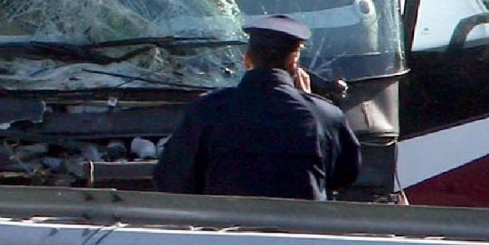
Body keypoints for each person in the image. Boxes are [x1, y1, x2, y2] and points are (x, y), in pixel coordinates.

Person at [153, 14, 362, 200]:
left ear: (247, 59)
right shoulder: (325, 116)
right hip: (300, 230)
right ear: (294, 64)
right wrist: (309, 102)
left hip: (225, 229)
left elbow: (171, 179)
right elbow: (344, 176)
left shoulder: (206, 110)